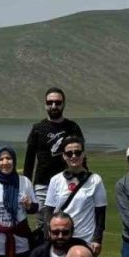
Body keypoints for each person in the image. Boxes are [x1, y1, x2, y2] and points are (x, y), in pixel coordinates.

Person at [40, 136, 106, 257]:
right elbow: (48, 212)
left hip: (85, 239)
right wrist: (49, 237)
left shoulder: (95, 180)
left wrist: (97, 239)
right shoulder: (56, 180)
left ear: (83, 154)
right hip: (61, 239)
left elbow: (100, 213)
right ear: (64, 156)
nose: (73, 156)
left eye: (77, 152)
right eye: (69, 153)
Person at [23, 87, 84, 230]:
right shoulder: (38, 128)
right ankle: (44, 252)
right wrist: (25, 187)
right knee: (44, 226)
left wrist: (85, 180)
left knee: (66, 224)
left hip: (68, 183)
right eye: (50, 102)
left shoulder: (72, 127)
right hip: (42, 185)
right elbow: (29, 160)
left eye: (57, 102)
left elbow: (81, 156)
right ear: (45, 104)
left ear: (63, 104)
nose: (54, 106)